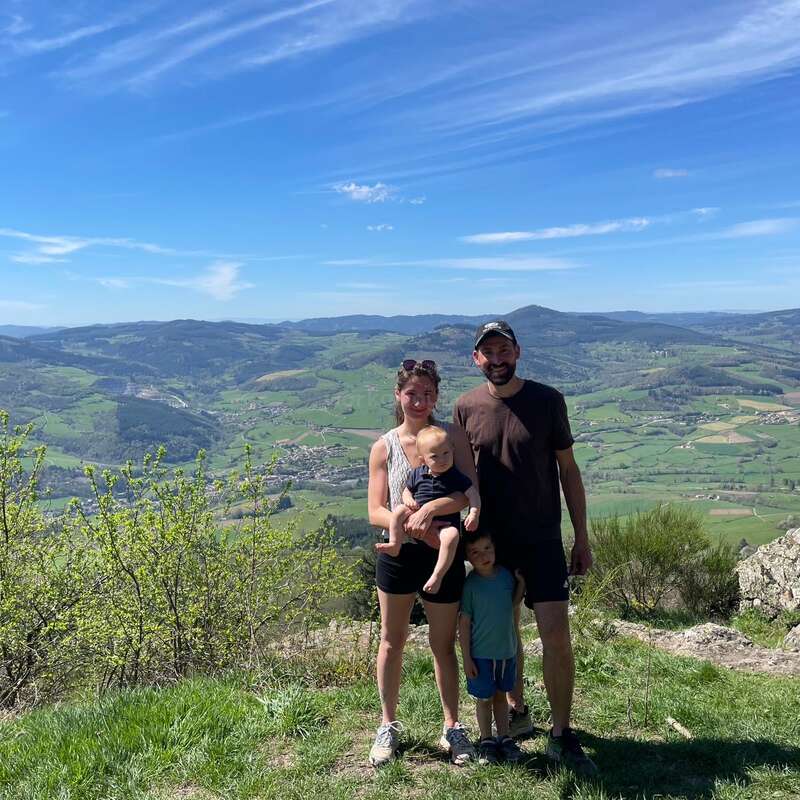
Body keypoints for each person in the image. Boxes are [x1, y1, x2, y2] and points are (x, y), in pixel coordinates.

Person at [453, 320, 598, 777]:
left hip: (542, 539)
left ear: (517, 351)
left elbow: (568, 470)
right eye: (488, 353)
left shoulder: (547, 400)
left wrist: (581, 536)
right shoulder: (465, 407)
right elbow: (460, 477)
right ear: (476, 358)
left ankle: (561, 732)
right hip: (492, 546)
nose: (496, 360)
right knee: (505, 631)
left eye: (503, 350)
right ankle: (515, 711)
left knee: (555, 634)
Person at [367, 359, 479, 768]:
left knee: (443, 644)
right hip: (399, 552)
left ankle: (452, 726)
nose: (419, 401)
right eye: (412, 393)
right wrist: (411, 525)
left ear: (436, 396)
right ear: (398, 395)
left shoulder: (451, 436)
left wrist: (429, 512)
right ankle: (388, 725)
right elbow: (375, 511)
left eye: (427, 394)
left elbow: (468, 492)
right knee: (391, 640)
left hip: (443, 552)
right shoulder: (384, 446)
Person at [376, 424, 480, 594]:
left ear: (452, 451)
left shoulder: (455, 476)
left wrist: (474, 512)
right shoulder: (418, 473)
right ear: (423, 459)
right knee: (398, 511)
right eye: (435, 456)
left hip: (445, 523)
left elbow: (472, 494)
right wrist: (408, 500)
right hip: (415, 512)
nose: (442, 459)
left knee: (452, 536)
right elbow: (407, 490)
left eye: (446, 453)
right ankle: (395, 543)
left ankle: (437, 575)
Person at [459, 529, 524, 765]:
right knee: (484, 699)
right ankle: (486, 740)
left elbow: (512, 605)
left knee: (501, 697)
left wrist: (521, 584)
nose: (483, 555)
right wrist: (467, 658)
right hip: (481, 655)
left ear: (495, 548)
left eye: (487, 548)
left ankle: (504, 738)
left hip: (506, 652)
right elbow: (464, 623)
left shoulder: (506, 577)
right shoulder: (470, 585)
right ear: (467, 557)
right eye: (475, 552)